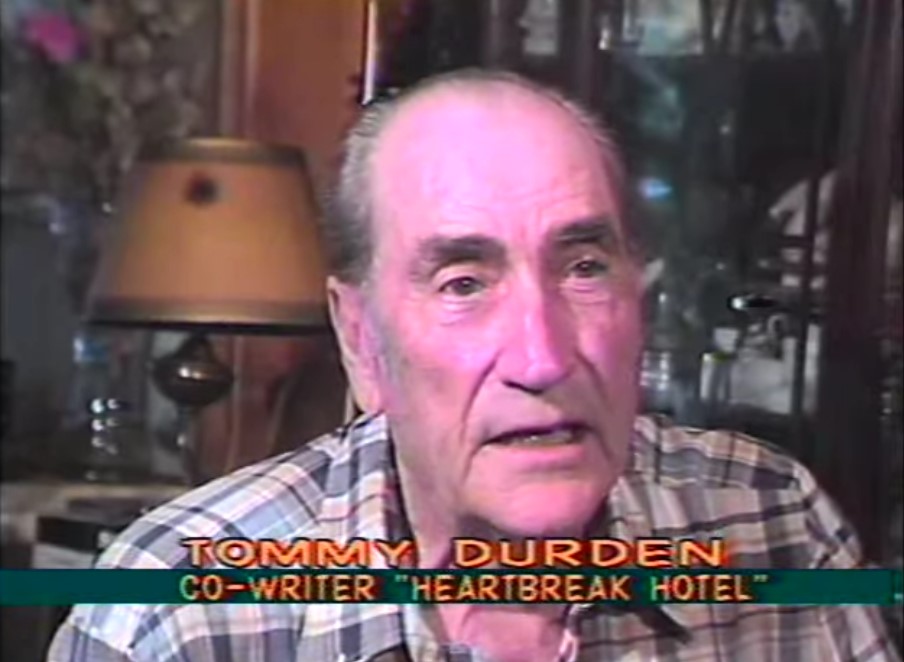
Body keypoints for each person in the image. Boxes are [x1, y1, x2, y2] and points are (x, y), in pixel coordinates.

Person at [48, 69, 899, 662]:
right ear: (362, 341)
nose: (543, 356)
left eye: (585, 268)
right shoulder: (180, 613)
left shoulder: (774, 523)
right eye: (463, 283)